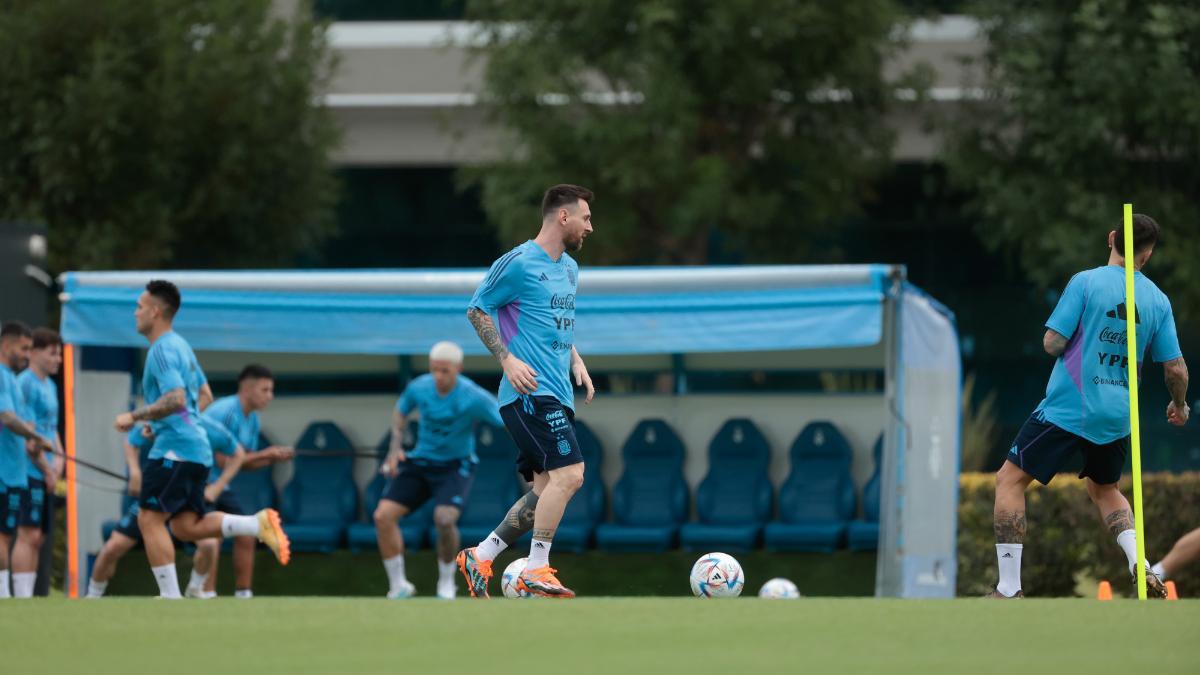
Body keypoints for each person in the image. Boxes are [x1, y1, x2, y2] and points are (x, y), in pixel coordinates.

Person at [988, 214, 1188, 599]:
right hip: (1117, 415)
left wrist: (1076, 338)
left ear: (1111, 238)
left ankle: (1009, 589)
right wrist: (1179, 406)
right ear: (1146, 256)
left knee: (1009, 480)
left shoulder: (1086, 281)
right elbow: (1175, 369)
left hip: (1069, 407)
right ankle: (1140, 564)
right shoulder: (1158, 301)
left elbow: (1052, 342)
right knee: (1106, 489)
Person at [457, 184, 596, 599]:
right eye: (586, 218)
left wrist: (576, 359)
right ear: (563, 216)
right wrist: (506, 359)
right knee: (571, 475)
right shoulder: (517, 263)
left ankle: (481, 554)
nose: (591, 226)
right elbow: (476, 308)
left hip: (558, 392)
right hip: (529, 394)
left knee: (543, 489)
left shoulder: (570, 269)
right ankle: (536, 566)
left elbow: (554, 321)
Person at [111, 279, 288, 598]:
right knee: (184, 527)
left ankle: (170, 597)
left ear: (154, 311)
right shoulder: (181, 346)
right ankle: (254, 524)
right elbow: (203, 396)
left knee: (150, 519)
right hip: (196, 450)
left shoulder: (161, 350)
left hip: (175, 451)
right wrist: (162, 422)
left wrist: (136, 417)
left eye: (138, 307)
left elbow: (178, 399)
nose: (134, 312)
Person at [375, 341, 503, 599]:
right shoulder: (419, 388)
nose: (438, 376)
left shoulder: (472, 395)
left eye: (445, 371)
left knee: (444, 519)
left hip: (456, 467)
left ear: (458, 368)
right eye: (434, 370)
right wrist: (394, 449)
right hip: (420, 463)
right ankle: (399, 586)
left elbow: (506, 417)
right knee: (382, 516)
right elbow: (400, 413)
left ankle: (446, 584)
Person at [87, 418, 242, 598]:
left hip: (185, 499)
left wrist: (217, 487)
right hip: (155, 497)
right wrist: (135, 472)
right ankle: (92, 595)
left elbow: (238, 454)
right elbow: (131, 441)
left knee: (209, 544)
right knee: (113, 547)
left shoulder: (208, 427)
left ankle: (194, 588)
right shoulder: (162, 419)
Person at [200, 364, 294, 598]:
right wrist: (266, 454)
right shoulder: (226, 411)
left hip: (221, 484)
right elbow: (224, 460)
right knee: (212, 537)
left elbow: (245, 463)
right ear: (247, 389)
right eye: (265, 390)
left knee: (246, 534)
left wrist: (272, 459)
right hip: (202, 482)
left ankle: (243, 594)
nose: (269, 396)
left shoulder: (252, 419)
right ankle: (206, 593)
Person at [0, 321, 55, 599]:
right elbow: (8, 418)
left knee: (11, 535)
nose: (26, 354)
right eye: (23, 348)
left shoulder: (10, 377)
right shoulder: (9, 377)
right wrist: (41, 446)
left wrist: (38, 441)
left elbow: (24, 425)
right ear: (7, 345)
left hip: (15, 471)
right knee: (10, 535)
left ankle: (16, 596)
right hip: (7, 470)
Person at [16, 328, 64, 597]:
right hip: (29, 471)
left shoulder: (51, 385)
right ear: (34, 353)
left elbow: (51, 429)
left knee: (40, 537)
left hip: (47, 470)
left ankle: (31, 595)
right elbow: (28, 435)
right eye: (52, 353)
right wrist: (46, 469)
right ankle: (22, 596)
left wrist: (60, 458)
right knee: (29, 534)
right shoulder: (25, 383)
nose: (57, 359)